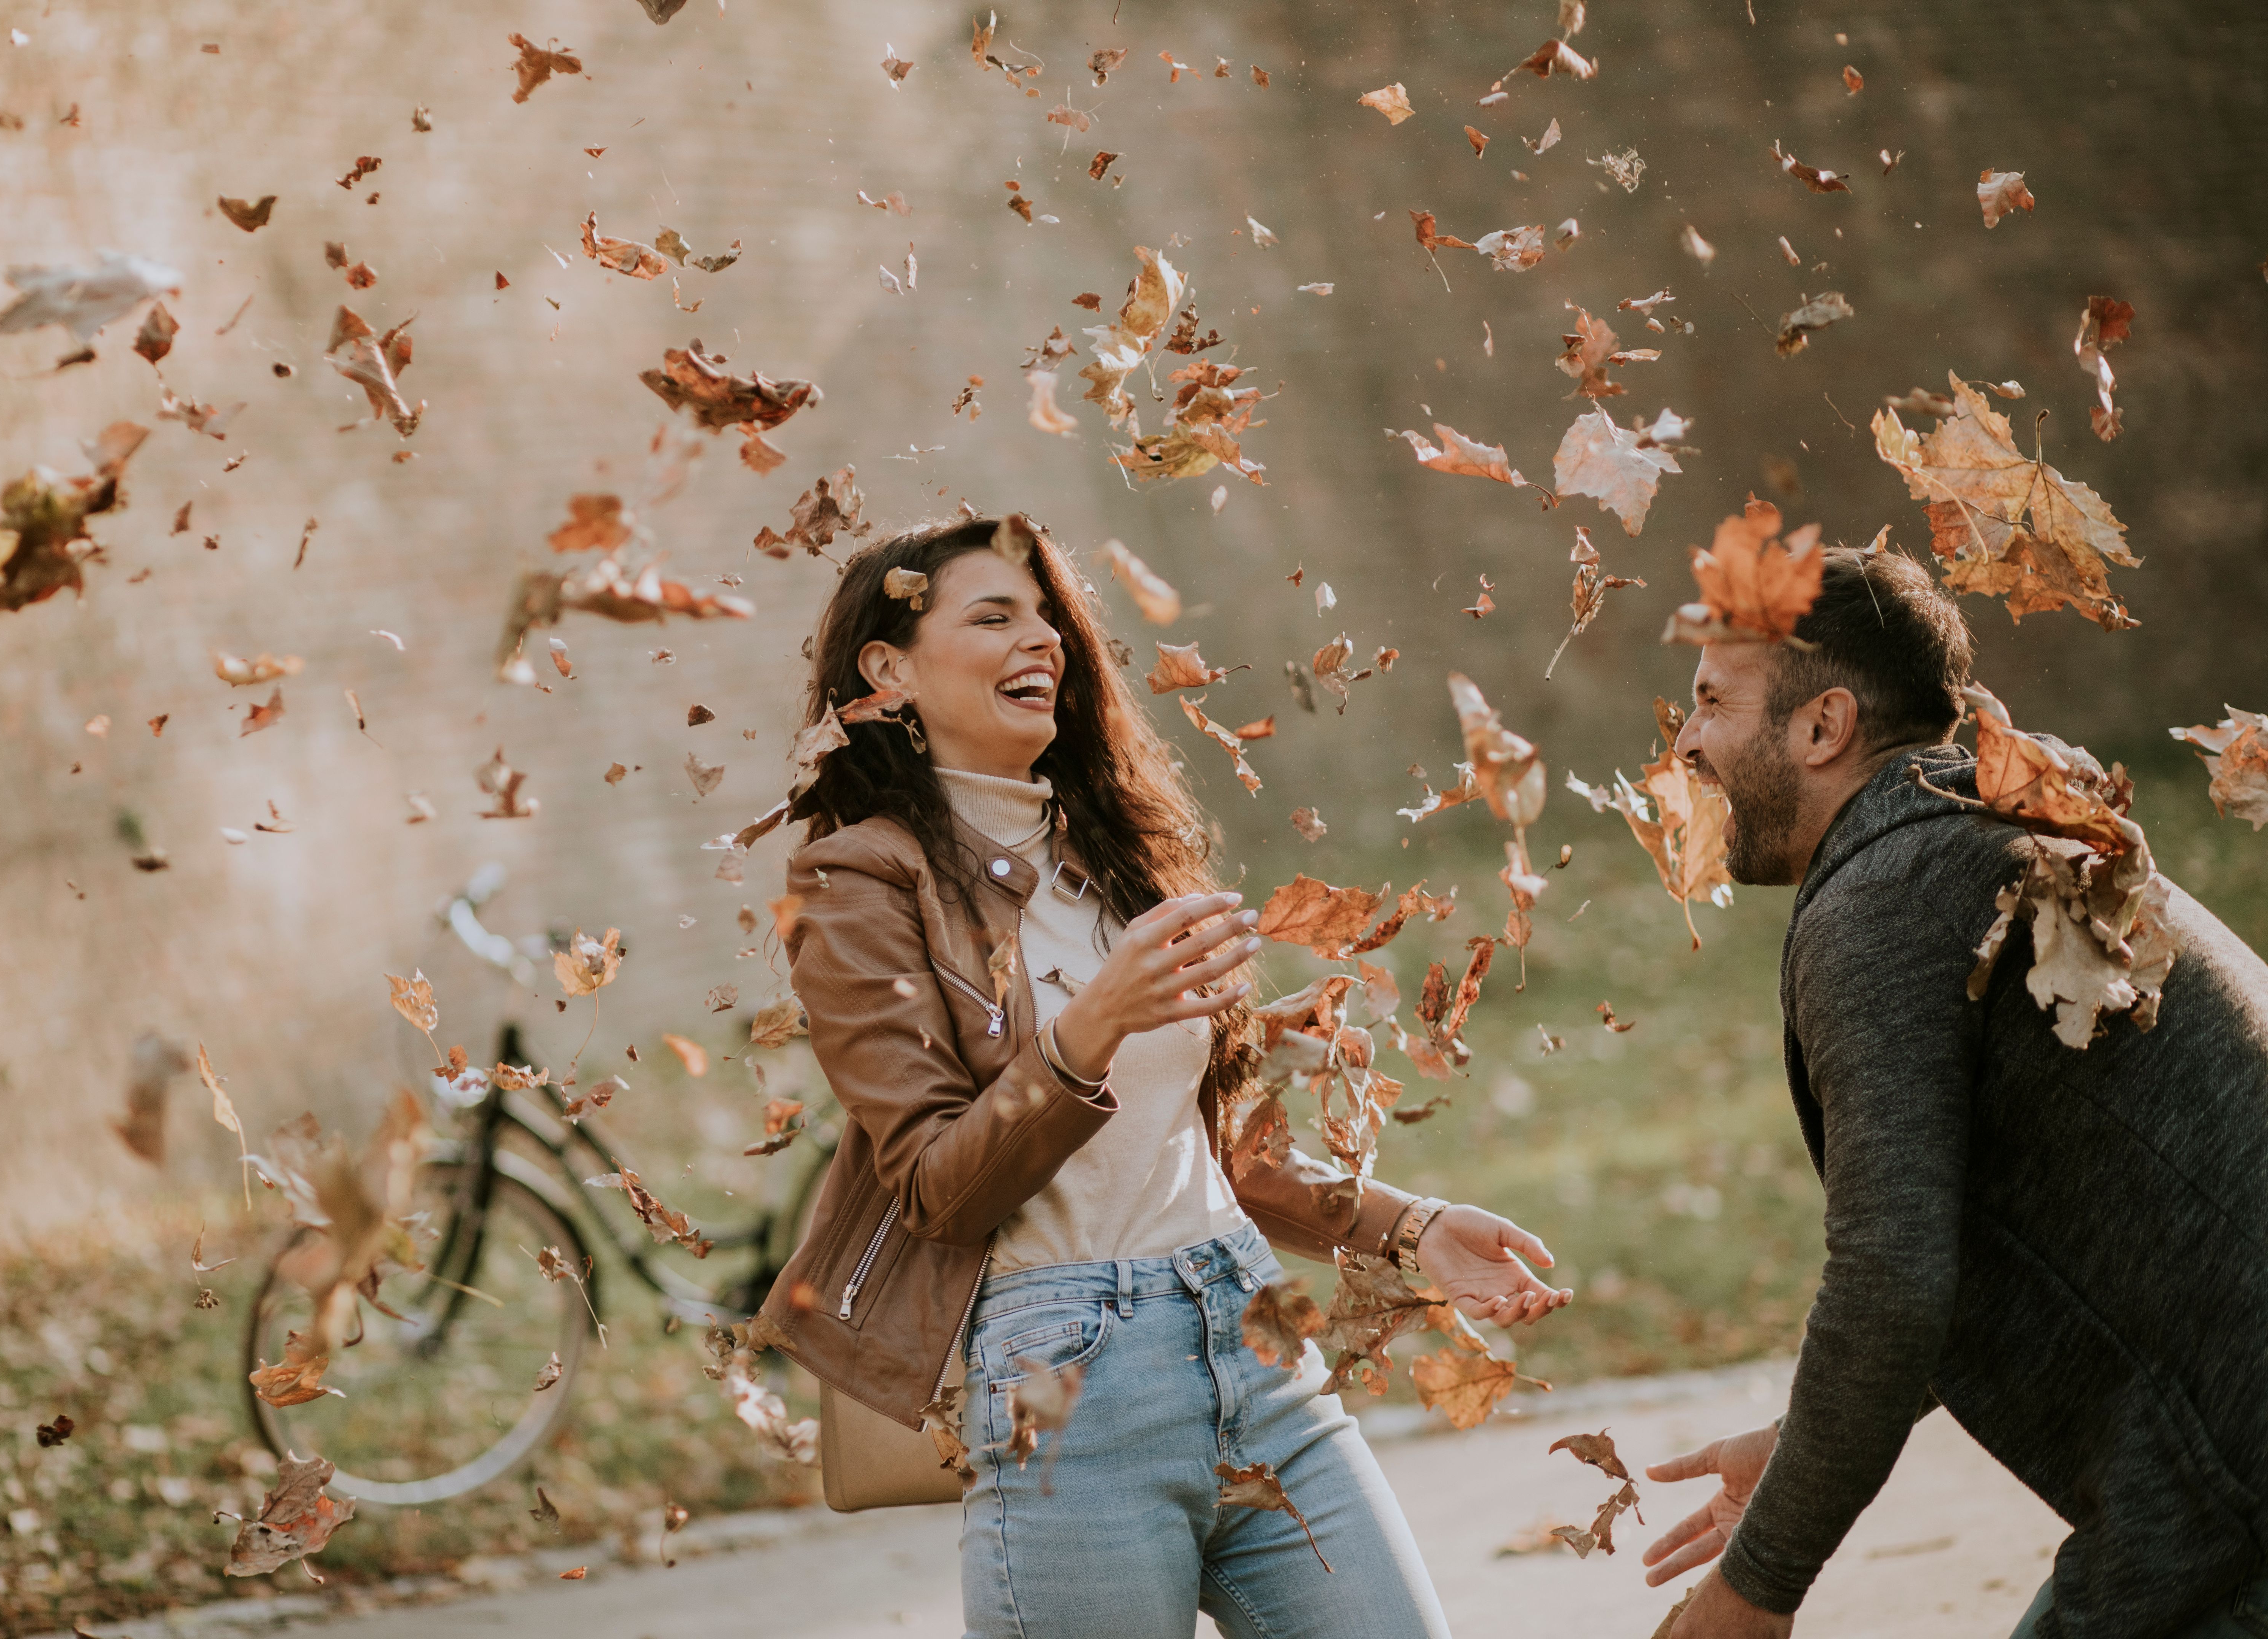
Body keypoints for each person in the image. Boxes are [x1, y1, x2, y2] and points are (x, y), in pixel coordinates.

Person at [753, 516, 1571, 1638]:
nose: (1042, 639)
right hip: (1065, 1380)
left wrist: (1407, 1225)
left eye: (1049, 618)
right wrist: (1085, 1034)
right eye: (994, 616)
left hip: (1250, 1330)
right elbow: (936, 1187)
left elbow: (1200, 1151)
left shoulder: (1113, 856)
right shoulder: (855, 887)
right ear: (886, 670)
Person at [1644, 547, 2268, 1639]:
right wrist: (1802, 1448)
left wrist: (1757, 1588)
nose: (1684, 741)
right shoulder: (1986, 826)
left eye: (1709, 704)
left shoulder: (1881, 905)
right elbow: (1987, 1219)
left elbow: (1891, 1280)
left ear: (1823, 727)